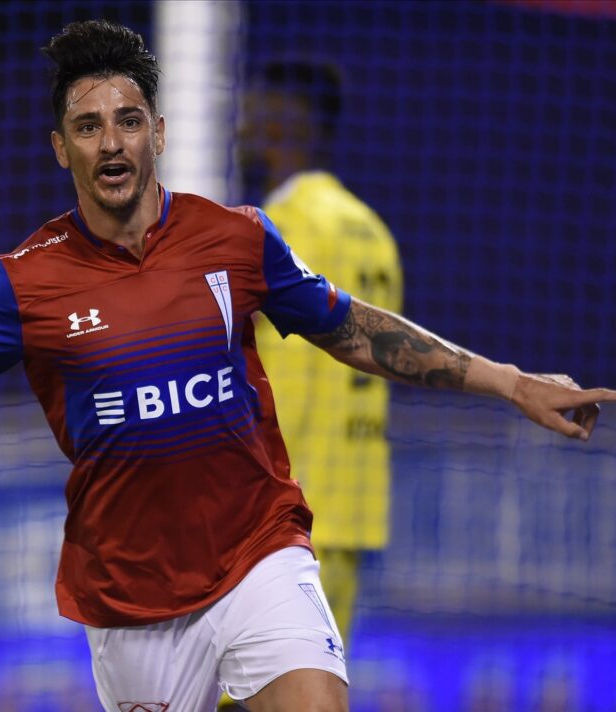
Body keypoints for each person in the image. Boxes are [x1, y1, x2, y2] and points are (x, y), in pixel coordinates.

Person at [0, 20, 616, 712]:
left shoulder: (237, 241)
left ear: (159, 132)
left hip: (260, 555)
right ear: (62, 149)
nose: (112, 142)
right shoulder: (26, 284)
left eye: (128, 120)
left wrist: (512, 382)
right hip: (130, 601)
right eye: (88, 127)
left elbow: (356, 332)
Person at [242, 59, 403, 648]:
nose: (241, 128)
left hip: (284, 510)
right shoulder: (371, 229)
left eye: (252, 113)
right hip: (352, 499)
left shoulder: (282, 226)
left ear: (283, 124)